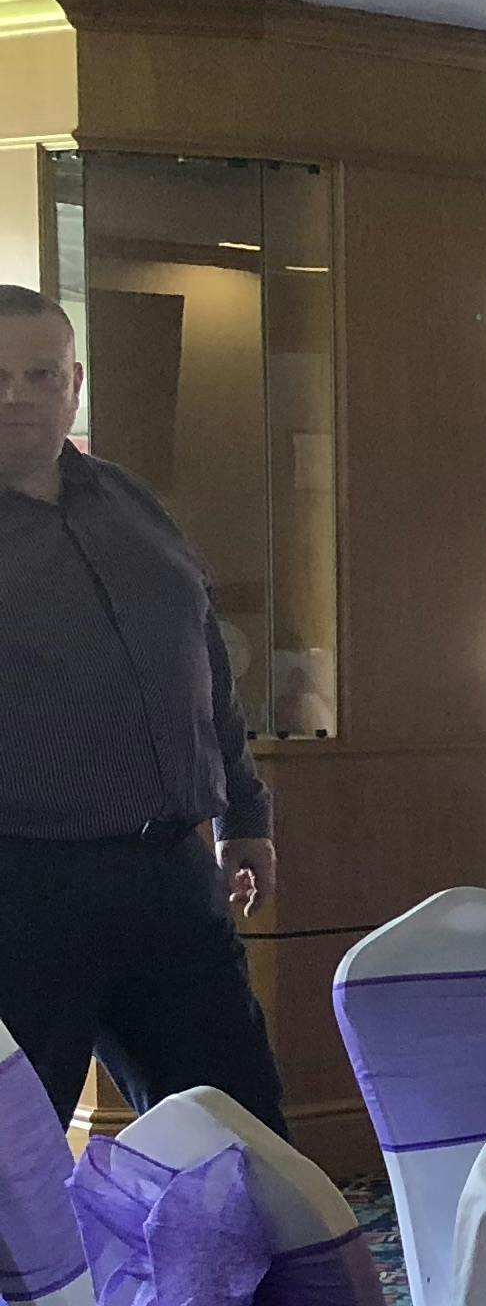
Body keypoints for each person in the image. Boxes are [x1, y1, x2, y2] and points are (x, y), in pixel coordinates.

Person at [0, 285, 288, 1128]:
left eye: (39, 373)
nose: (17, 393)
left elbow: (202, 667)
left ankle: (236, 1269)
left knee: (241, 1137)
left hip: (171, 876)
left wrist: (245, 815)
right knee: (15, 1169)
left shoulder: (128, 503)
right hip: (22, 889)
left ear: (74, 383)